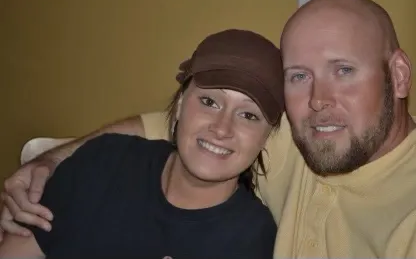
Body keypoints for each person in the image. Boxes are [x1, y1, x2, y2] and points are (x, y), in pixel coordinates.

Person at [3, 0, 416, 257]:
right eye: (299, 76)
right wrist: (44, 165)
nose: (318, 101)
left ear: (398, 75)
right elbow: (160, 128)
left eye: (344, 70)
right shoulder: (294, 138)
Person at [0, 29, 284, 258]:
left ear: (266, 136)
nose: (222, 128)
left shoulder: (253, 240)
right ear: (182, 104)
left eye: (248, 115)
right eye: (209, 102)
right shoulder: (104, 162)